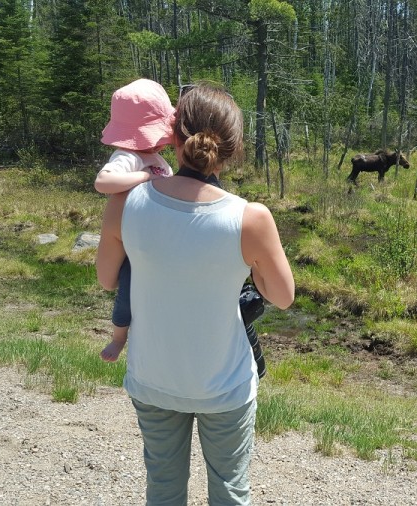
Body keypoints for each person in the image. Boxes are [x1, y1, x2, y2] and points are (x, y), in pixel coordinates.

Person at [95, 83, 295, 505]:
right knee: (229, 490)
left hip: (153, 379)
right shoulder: (251, 217)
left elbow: (107, 279)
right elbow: (282, 296)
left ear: (173, 134)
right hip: (224, 386)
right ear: (234, 147)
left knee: (164, 490)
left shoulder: (125, 200)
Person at [95, 78, 175, 362]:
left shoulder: (154, 157)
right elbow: (103, 182)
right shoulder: (126, 156)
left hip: (159, 238)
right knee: (127, 291)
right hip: (134, 243)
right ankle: (119, 337)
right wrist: (145, 176)